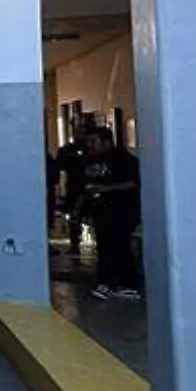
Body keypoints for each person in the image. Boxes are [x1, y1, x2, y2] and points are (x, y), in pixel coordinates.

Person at [81, 127, 141, 300]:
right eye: (88, 142)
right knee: (104, 246)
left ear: (106, 142)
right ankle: (106, 283)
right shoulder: (90, 160)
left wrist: (107, 189)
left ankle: (126, 284)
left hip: (122, 210)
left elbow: (133, 183)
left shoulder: (124, 159)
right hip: (100, 210)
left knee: (119, 246)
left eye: (94, 141)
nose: (90, 145)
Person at [54, 129, 89, 255]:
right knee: (74, 218)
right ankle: (75, 244)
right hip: (75, 187)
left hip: (89, 187)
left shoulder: (90, 149)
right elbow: (59, 168)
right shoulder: (67, 150)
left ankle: (76, 244)